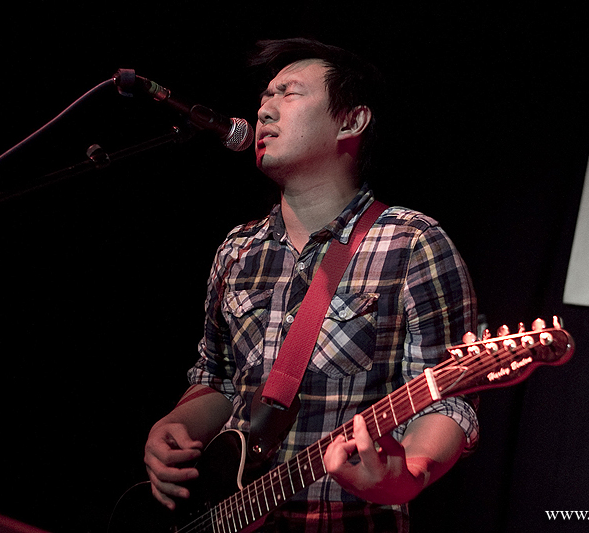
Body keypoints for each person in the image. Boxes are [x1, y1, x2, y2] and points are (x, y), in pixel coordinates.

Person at [143, 37, 479, 532]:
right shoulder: (238, 249)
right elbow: (217, 379)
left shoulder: (411, 242)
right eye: (265, 96)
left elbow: (449, 394)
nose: (264, 109)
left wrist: (408, 474)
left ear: (351, 122)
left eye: (289, 93)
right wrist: (174, 426)